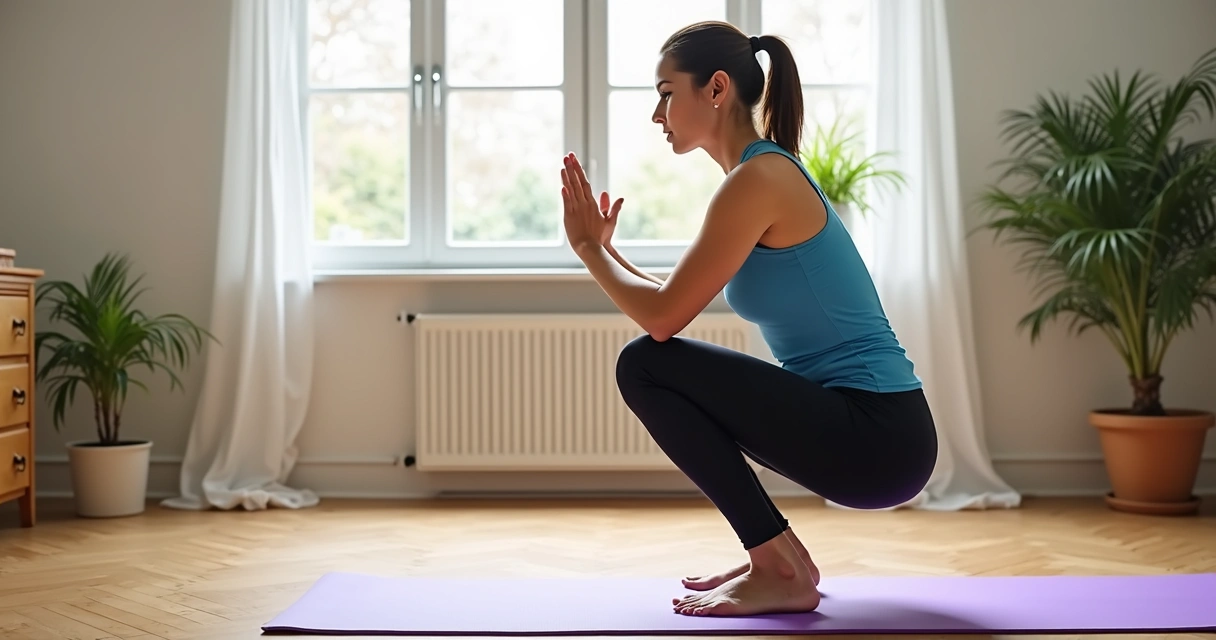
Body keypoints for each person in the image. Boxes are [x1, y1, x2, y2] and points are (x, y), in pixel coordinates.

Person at [559, 20, 938, 618]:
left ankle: (777, 565)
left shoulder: (759, 179)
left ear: (715, 89)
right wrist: (603, 250)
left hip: (880, 438)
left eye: (665, 93)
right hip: (876, 435)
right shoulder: (761, 174)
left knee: (644, 364)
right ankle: (784, 557)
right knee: (655, 364)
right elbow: (671, 299)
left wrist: (587, 249)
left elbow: (661, 322)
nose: (658, 116)